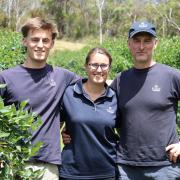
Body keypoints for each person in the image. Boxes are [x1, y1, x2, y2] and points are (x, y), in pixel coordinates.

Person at [0, 17, 77, 180]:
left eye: (45, 40)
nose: (40, 45)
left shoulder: (62, 76)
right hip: (13, 163)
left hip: (47, 166)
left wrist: (71, 127)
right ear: (24, 41)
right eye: (35, 39)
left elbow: (92, 91)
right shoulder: (6, 78)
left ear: (52, 44)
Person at [111, 21, 180, 179]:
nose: (141, 46)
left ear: (155, 44)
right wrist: (73, 131)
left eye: (147, 41)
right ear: (129, 44)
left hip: (165, 166)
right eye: (137, 41)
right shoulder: (121, 80)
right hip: (126, 168)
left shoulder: (172, 76)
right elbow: (104, 115)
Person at [59, 47, 120, 179]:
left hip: (107, 172)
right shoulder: (69, 93)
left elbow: (127, 131)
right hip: (72, 172)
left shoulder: (115, 97)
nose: (99, 70)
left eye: (104, 65)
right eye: (94, 65)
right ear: (86, 66)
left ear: (109, 68)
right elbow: (52, 126)